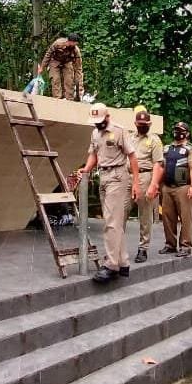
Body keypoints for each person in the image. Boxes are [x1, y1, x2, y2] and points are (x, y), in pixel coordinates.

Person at [78, 103, 140, 283]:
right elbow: (93, 154)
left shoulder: (119, 131)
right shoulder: (95, 133)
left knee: (111, 223)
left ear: (107, 116)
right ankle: (123, 262)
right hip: (103, 176)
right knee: (113, 221)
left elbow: (132, 156)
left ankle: (111, 265)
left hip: (118, 176)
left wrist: (136, 183)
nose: (98, 124)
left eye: (100, 121)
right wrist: (86, 170)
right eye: (95, 122)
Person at [160, 121, 192, 257]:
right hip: (167, 187)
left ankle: (185, 245)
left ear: (187, 133)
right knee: (167, 217)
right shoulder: (167, 148)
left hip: (183, 187)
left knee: (185, 217)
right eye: (176, 130)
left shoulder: (191, 150)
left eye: (181, 130)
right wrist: (157, 185)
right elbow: (161, 167)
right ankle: (170, 244)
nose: (178, 132)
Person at [130, 107, 164, 263]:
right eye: (140, 123)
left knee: (144, 215)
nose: (142, 125)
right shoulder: (130, 138)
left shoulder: (154, 140)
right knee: (120, 212)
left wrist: (154, 185)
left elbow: (158, 164)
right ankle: (115, 248)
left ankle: (143, 248)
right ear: (135, 123)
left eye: (145, 123)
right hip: (128, 176)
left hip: (145, 176)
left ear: (149, 124)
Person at [37, 33, 85, 101]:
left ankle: (70, 100)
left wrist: (79, 84)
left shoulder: (76, 50)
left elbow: (78, 68)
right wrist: (42, 67)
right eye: (75, 43)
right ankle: (57, 99)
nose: (76, 45)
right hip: (55, 61)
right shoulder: (57, 43)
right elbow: (48, 54)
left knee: (69, 80)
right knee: (55, 80)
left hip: (67, 62)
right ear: (70, 41)